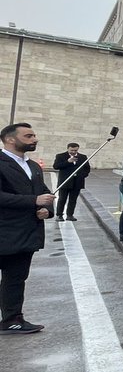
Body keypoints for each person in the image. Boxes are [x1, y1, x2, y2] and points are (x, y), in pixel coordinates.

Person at [1, 123, 54, 334]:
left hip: (25, 233)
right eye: (29, 136)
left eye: (34, 135)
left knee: (15, 278)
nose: (34, 139)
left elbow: (45, 193)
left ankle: (12, 319)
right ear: (10, 139)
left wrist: (46, 210)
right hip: (4, 229)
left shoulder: (33, 166)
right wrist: (33, 200)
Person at [52, 142, 90, 221]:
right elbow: (56, 166)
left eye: (75, 150)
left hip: (77, 182)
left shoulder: (83, 157)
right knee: (62, 199)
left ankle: (70, 215)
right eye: (72, 150)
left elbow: (87, 168)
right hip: (65, 181)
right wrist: (68, 162)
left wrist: (82, 175)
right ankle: (59, 215)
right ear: (68, 149)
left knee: (73, 199)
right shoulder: (60, 156)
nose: (73, 152)